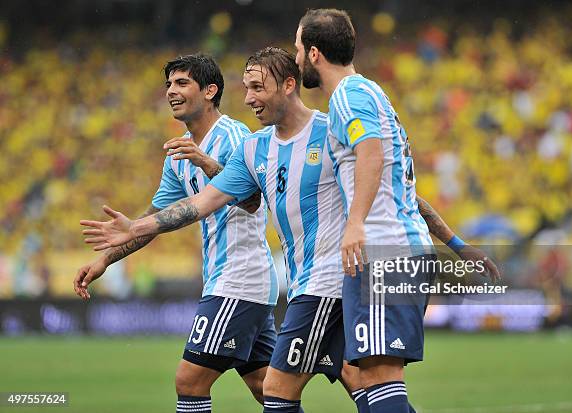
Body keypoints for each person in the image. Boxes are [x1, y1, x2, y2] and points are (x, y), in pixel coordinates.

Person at [80, 48, 499, 413]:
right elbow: (196, 205)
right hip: (300, 282)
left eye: (258, 88)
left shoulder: (322, 129)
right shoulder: (253, 147)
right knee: (348, 379)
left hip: (322, 278)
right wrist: (123, 237)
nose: (249, 99)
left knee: (257, 388)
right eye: (246, 89)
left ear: (289, 84)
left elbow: (399, 192)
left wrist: (458, 245)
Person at [294, 9, 499, 413]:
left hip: (383, 253)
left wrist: (355, 224)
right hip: (394, 250)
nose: (296, 56)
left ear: (314, 53)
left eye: (298, 48)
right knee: (371, 380)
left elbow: (372, 153)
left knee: (381, 378)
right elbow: (400, 185)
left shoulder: (349, 97)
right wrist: (458, 245)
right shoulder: (369, 94)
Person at [74, 54, 278, 413]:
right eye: (169, 84)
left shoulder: (236, 136)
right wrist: (105, 259)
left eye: (182, 83)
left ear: (210, 90)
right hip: (240, 280)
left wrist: (206, 162)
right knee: (269, 388)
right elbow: (155, 220)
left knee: (189, 381)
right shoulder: (177, 155)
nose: (171, 91)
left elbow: (252, 201)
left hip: (238, 279)